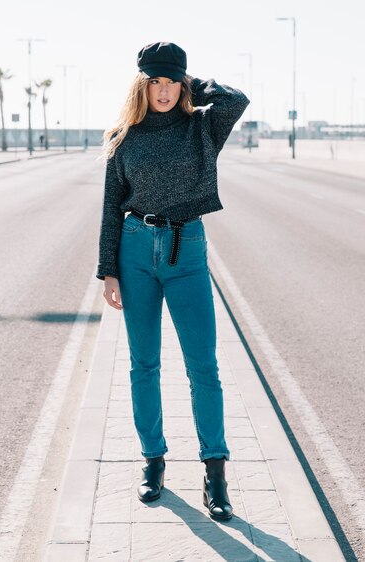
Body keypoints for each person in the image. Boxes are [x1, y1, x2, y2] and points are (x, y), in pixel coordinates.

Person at [97, 41, 250, 521]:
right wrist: (108, 269)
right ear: (142, 84)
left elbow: (235, 100)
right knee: (144, 365)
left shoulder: (202, 128)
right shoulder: (123, 136)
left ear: (182, 84)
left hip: (188, 251)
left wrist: (193, 81)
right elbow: (109, 207)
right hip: (136, 249)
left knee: (203, 366)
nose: (163, 91)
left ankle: (215, 472)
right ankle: (153, 461)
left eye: (171, 81)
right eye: (155, 81)